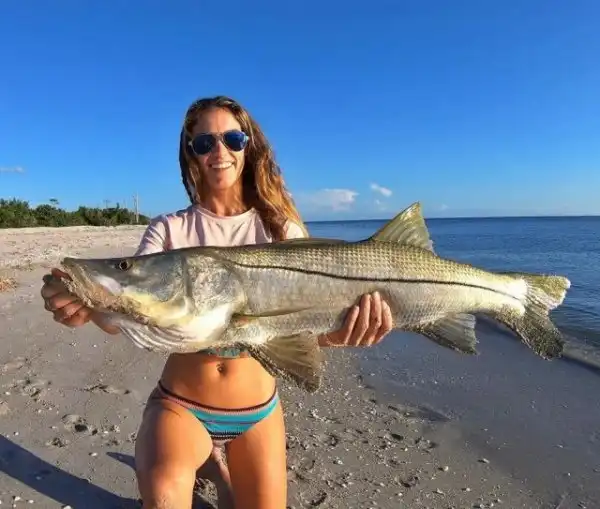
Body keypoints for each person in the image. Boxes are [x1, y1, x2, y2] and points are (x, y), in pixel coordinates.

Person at [40, 95, 393, 509]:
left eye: (232, 139)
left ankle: (220, 475)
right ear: (191, 153)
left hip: (257, 412)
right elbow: (125, 311)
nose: (219, 151)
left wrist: (344, 334)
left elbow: (304, 334)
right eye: (204, 143)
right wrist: (84, 306)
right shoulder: (169, 229)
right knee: (164, 495)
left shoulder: (282, 230)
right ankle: (207, 463)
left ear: (249, 146)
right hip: (182, 406)